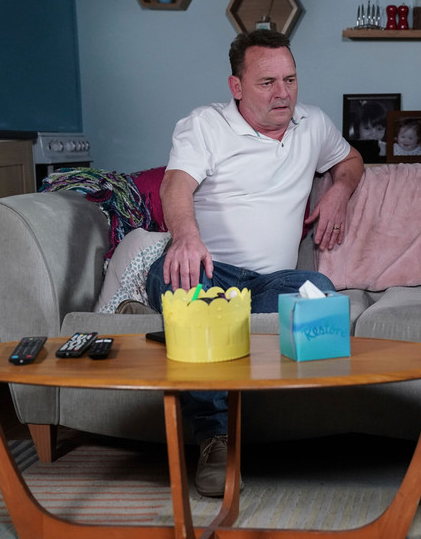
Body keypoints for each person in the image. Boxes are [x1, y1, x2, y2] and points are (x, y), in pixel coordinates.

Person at [145, 29, 363, 497]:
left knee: (320, 292)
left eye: (290, 79)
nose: (283, 93)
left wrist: (340, 191)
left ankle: (169, 320)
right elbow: (175, 185)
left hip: (271, 282)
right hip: (210, 271)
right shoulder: (205, 124)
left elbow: (351, 159)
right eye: (267, 82)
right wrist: (186, 237)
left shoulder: (313, 123)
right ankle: (215, 440)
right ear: (236, 86)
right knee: (176, 283)